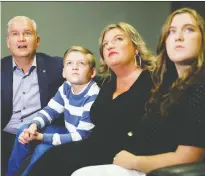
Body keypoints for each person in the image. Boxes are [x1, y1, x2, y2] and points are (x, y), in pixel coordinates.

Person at [71, 7, 205, 176]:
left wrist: (135, 161)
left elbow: (190, 155)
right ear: (165, 41)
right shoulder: (169, 85)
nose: (178, 37)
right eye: (171, 32)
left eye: (189, 29)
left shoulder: (200, 86)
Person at [26, 22, 156, 176]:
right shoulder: (108, 83)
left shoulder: (152, 82)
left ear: (136, 48)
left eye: (118, 39)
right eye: (105, 44)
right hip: (92, 149)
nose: (109, 46)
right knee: (47, 160)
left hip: (124, 158)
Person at [6, 46, 100, 176]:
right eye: (69, 63)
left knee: (42, 150)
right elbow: (51, 110)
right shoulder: (67, 86)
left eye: (81, 63)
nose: (74, 67)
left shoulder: (93, 96)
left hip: (81, 142)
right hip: (68, 131)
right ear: (63, 72)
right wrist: (34, 126)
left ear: (92, 72)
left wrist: (41, 137)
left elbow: (81, 136)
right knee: (24, 129)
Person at [1, 16, 64, 175]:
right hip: (6, 136)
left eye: (27, 33)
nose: (21, 39)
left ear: (37, 40)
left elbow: (87, 73)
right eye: (15, 34)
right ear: (8, 42)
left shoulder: (56, 66)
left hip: (38, 134)